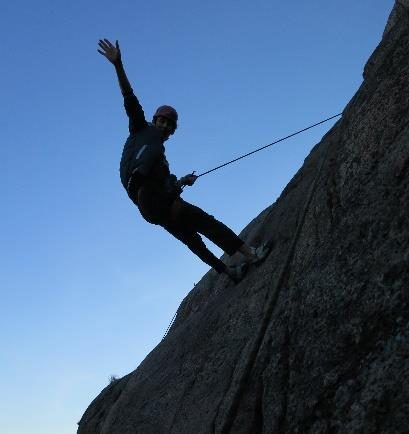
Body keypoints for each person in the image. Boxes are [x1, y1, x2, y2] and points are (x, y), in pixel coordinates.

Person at [97, 38, 270, 283]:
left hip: (150, 206)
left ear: (171, 130)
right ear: (155, 121)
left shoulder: (157, 158)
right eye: (162, 120)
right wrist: (118, 65)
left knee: (193, 240)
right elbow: (129, 98)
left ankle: (230, 272)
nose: (164, 125)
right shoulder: (140, 129)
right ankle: (250, 255)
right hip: (153, 199)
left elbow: (164, 183)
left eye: (168, 123)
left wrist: (182, 182)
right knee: (206, 223)